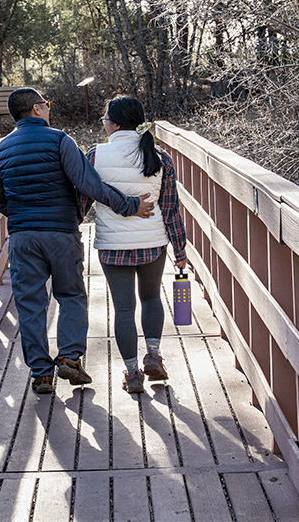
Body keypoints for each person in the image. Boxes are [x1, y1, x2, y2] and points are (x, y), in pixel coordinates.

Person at [0, 88, 155, 395]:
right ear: (38, 109)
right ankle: (69, 357)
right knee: (71, 295)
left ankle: (40, 374)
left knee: (30, 304)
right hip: (61, 233)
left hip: (23, 237)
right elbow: (89, 184)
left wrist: (25, 217)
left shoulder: (2, 149)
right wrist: (130, 205)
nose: (49, 108)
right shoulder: (59, 140)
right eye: (47, 104)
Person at [80, 96, 188, 394]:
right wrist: (180, 250)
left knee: (123, 309)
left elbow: (82, 202)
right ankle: (153, 354)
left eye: (104, 118)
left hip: (113, 246)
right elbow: (171, 209)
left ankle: (132, 373)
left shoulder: (95, 156)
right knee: (152, 298)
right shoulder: (160, 157)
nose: (103, 123)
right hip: (153, 244)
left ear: (114, 123)